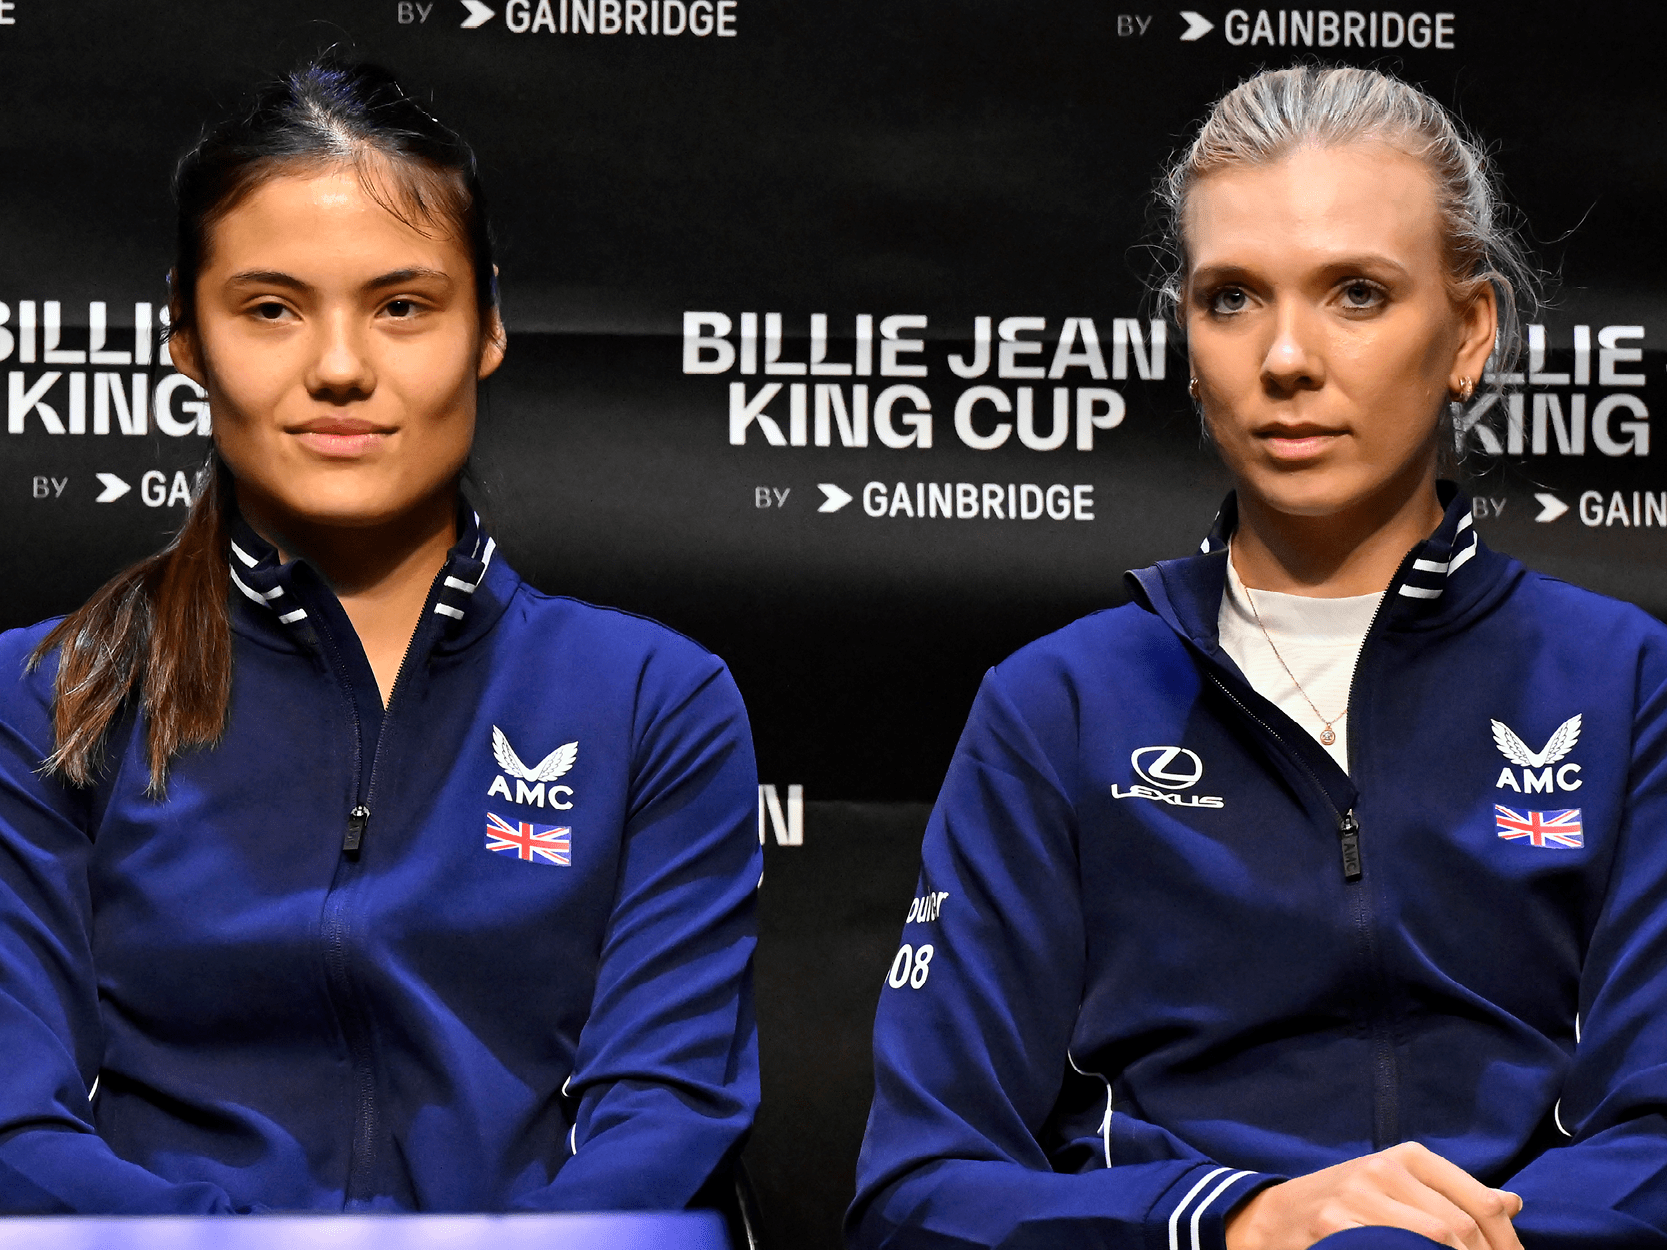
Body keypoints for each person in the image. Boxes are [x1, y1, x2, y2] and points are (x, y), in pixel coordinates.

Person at [849, 65, 1667, 1250]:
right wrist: (1226, 1219)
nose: (1284, 356)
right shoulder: (1058, 705)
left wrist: (1399, 1240)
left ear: (1468, 333)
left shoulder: (1626, 681)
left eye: (1354, 292)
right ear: (1186, 342)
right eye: (1230, 298)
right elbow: (916, 1190)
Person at [0, 59, 760, 1214]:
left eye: (402, 305)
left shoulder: (654, 699)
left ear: (488, 325)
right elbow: (13, 1123)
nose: (342, 366)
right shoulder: (51, 689)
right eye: (270, 309)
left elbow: (661, 1122)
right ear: (186, 339)